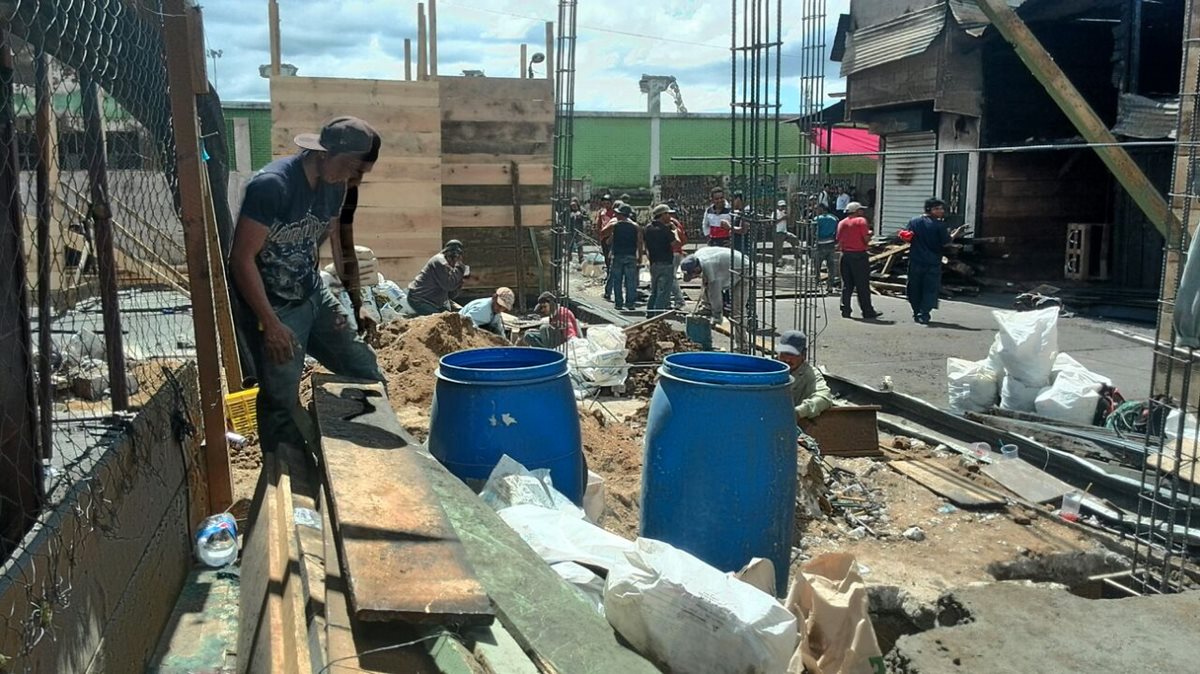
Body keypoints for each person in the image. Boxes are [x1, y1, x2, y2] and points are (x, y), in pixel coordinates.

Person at [229, 116, 384, 454]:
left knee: (364, 367)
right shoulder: (272, 186)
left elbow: (340, 245)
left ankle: (359, 451)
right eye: (351, 167)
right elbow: (241, 259)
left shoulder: (335, 185)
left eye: (360, 172)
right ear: (324, 154)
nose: (354, 178)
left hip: (313, 293)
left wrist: (358, 304)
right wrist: (270, 324)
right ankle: (286, 471)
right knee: (280, 400)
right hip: (274, 307)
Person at [904, 198, 966, 325]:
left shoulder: (914, 221)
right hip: (932, 262)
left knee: (915, 287)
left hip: (915, 260)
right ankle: (924, 313)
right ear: (929, 210)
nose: (941, 211)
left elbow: (907, 237)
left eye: (941, 209)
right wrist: (956, 233)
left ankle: (916, 312)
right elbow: (946, 242)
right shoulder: (939, 225)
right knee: (929, 288)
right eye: (937, 209)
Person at [836, 201, 881, 320]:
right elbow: (865, 239)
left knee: (847, 284)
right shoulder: (861, 221)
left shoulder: (842, 223)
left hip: (845, 255)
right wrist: (870, 234)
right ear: (857, 211)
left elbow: (839, 240)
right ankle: (867, 311)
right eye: (861, 210)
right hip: (859, 255)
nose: (863, 212)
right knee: (862, 285)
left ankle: (845, 310)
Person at [680, 245, 746, 325]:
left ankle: (741, 333)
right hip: (729, 265)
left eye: (693, 275)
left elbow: (715, 295)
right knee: (707, 282)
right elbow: (705, 284)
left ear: (696, 269)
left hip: (744, 269)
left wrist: (717, 316)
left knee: (737, 310)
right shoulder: (698, 258)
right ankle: (707, 307)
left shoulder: (709, 268)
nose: (695, 277)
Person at [776, 330, 833, 421]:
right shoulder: (769, 367)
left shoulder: (810, 374)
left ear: (804, 355)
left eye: (792, 355)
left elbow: (824, 397)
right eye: (784, 354)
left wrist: (799, 412)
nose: (787, 359)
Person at [601, 204, 644, 310]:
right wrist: (640, 257)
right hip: (631, 255)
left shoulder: (615, 225)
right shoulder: (636, 226)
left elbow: (603, 233)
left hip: (618, 255)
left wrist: (610, 226)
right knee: (631, 281)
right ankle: (630, 303)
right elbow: (639, 242)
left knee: (617, 281)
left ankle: (619, 303)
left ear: (621, 214)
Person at [407, 240, 467, 315]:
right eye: (453, 258)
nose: (453, 261)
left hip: (433, 301)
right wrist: (460, 268)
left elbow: (451, 294)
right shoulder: (440, 262)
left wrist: (459, 282)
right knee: (439, 319)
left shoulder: (449, 266)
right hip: (419, 299)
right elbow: (449, 286)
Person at [644, 204, 679, 314]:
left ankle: (650, 313)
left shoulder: (648, 228)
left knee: (654, 291)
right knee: (663, 292)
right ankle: (658, 316)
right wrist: (675, 231)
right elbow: (676, 243)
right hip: (666, 263)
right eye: (668, 214)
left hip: (654, 263)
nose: (670, 217)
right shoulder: (665, 230)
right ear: (662, 215)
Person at [812, 203, 840, 294]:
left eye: (816, 209)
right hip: (831, 244)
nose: (815, 211)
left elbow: (813, 232)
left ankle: (816, 284)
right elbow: (837, 231)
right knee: (831, 267)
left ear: (821, 209)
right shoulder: (835, 218)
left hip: (820, 244)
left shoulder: (817, 219)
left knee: (817, 266)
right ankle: (830, 286)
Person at [667, 204, 689, 309]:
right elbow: (684, 239)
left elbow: (680, 238)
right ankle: (669, 299)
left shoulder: (671, 224)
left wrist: (675, 246)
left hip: (672, 253)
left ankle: (679, 300)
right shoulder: (677, 223)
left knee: (671, 277)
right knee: (670, 277)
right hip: (676, 252)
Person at [595, 194, 616, 298]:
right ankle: (608, 273)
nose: (606, 205)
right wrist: (599, 234)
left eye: (608, 203)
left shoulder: (614, 213)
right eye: (605, 203)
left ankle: (611, 275)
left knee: (611, 257)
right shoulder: (602, 212)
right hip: (604, 237)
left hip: (611, 237)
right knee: (606, 257)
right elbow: (598, 224)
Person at [773, 199, 800, 266]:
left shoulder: (784, 212)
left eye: (784, 206)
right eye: (781, 206)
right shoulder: (775, 213)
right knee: (779, 249)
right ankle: (778, 262)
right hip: (778, 232)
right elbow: (773, 222)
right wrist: (782, 218)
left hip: (784, 232)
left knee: (794, 239)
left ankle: (796, 254)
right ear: (778, 206)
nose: (783, 207)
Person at [567, 198, 588, 266]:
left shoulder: (582, 210)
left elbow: (587, 218)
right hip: (570, 231)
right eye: (572, 206)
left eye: (575, 205)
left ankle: (581, 258)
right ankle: (569, 258)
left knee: (580, 245)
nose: (573, 207)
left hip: (579, 231)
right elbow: (563, 218)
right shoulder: (568, 211)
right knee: (569, 245)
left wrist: (581, 216)